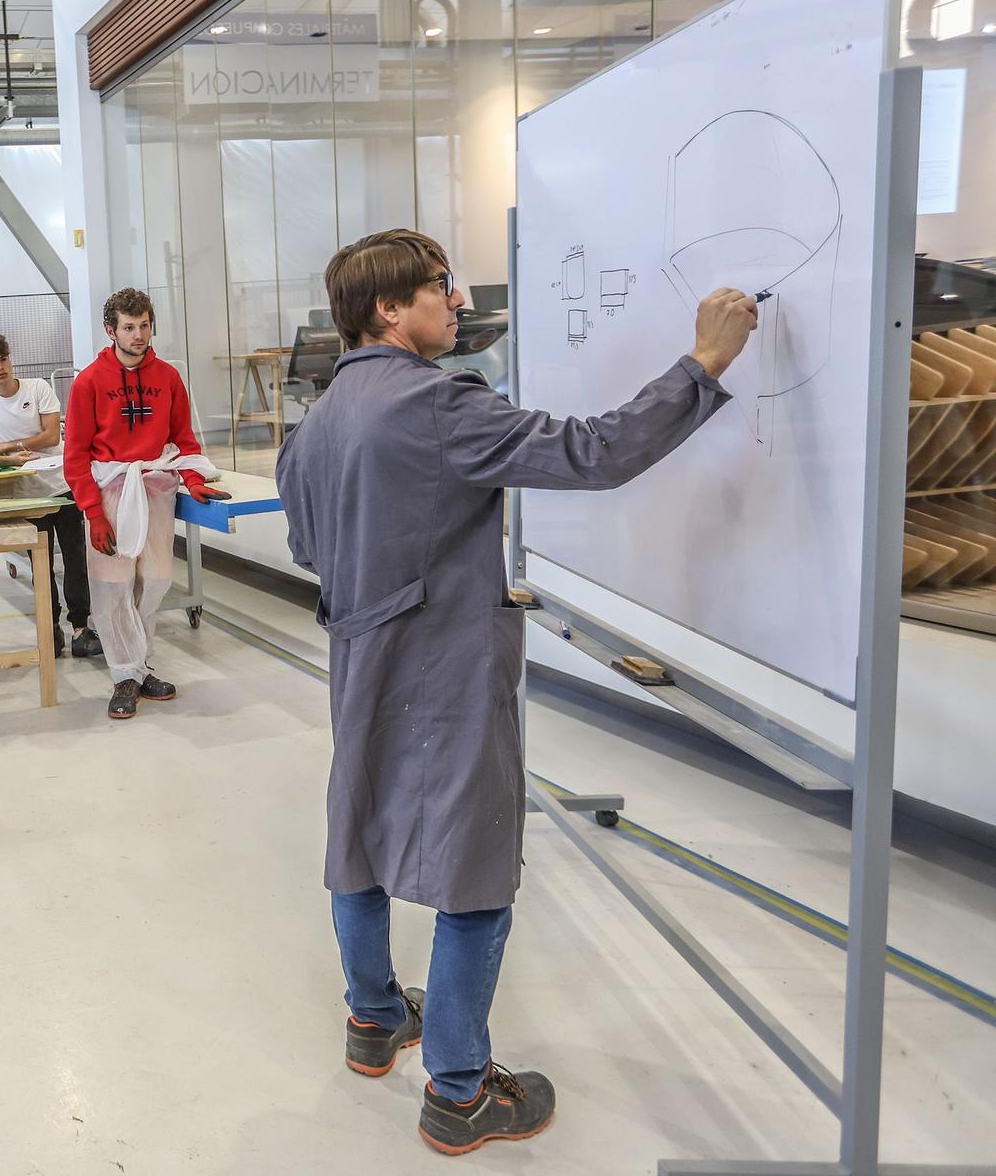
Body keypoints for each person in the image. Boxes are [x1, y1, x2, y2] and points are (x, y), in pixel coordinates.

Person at [274, 229, 758, 1156]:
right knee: (478, 868)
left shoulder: (318, 422)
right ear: (389, 308)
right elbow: (593, 452)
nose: (456, 304)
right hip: (443, 668)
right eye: (440, 289)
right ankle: (457, 1089)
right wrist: (703, 363)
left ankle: (374, 1018)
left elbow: (313, 551)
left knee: (361, 833)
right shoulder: (437, 405)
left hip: (359, 657)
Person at [62, 288, 228, 720]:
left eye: (145, 326)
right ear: (111, 330)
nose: (139, 335)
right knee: (114, 585)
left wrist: (194, 480)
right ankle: (125, 675)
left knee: (153, 579)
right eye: (130, 327)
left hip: (155, 487)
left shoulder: (168, 377)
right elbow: (76, 454)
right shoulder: (89, 382)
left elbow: (184, 439)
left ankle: (137, 663)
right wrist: (93, 513)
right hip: (111, 489)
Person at [0, 333, 100, 660]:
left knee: (74, 558)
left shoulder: (38, 387)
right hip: (27, 493)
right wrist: (9, 461)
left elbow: (51, 435)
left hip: (62, 484)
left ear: (10, 359)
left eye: (3, 359)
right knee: (40, 563)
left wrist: (9, 445)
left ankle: (81, 628)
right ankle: (50, 627)